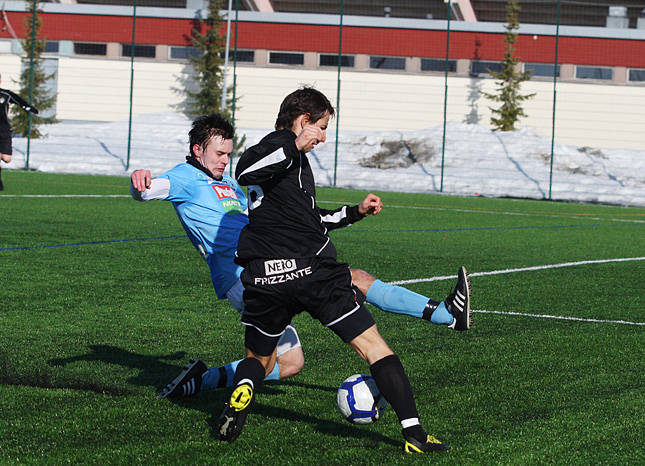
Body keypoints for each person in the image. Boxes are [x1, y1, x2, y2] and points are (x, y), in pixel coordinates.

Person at [130, 114, 471, 403]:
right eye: (218, 154)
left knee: (291, 363)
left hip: (270, 261)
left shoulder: (232, 184)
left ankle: (202, 380)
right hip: (241, 276)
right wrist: (140, 182)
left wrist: (353, 213)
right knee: (348, 282)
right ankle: (445, 314)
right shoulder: (184, 178)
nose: (223, 161)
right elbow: (147, 190)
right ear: (196, 150)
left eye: (227, 155)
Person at [218, 87, 471, 453]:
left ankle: (243, 392)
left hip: (265, 277)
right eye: (321, 127)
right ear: (303, 120)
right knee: (374, 348)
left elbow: (310, 219)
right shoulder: (281, 147)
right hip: (311, 272)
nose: (322, 137)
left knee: (258, 359)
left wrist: (354, 212)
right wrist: (295, 143)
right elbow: (244, 170)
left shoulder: (288, 164)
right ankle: (415, 435)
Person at [0, 74, 39, 191]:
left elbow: (18, 100)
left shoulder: (5, 94)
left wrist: (28, 107)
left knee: (6, 159)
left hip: (4, 130)